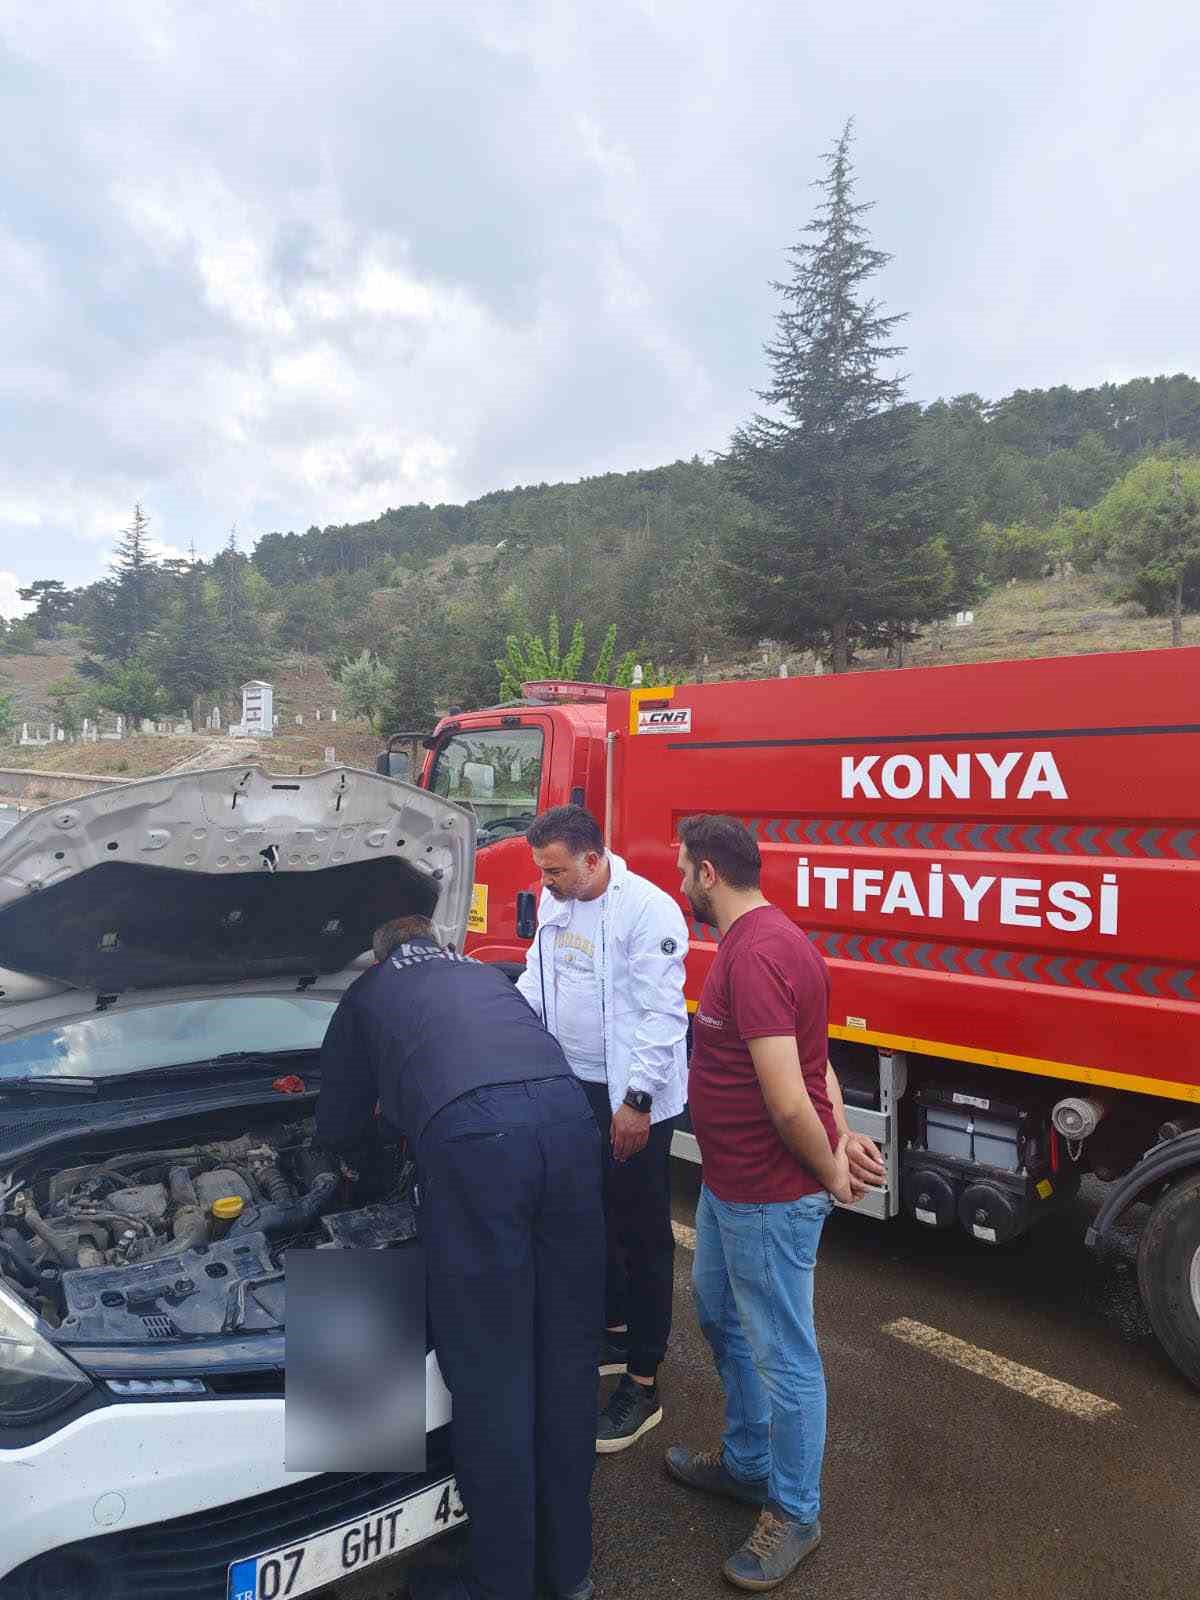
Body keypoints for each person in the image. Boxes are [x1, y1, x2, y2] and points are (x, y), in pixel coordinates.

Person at [316, 913, 603, 1600]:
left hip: (479, 1142)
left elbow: (340, 1125)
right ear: (437, 943)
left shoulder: (368, 992)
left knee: (492, 1370)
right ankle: (568, 1573)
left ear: (378, 956)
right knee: (565, 1358)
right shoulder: (485, 972)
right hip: (567, 1125)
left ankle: (499, 1581)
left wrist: (344, 1169)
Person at [664, 815, 885, 1593]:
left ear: (709, 874)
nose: (679, 877)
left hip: (766, 1192)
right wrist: (847, 1131)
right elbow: (817, 1063)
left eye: (683, 866)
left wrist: (828, 1169)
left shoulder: (758, 953)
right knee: (719, 1313)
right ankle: (750, 1463)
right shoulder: (772, 940)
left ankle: (794, 1512)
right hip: (731, 1187)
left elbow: (790, 1100)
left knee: (786, 1356)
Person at [517, 804, 689, 1452]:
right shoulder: (557, 901)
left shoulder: (648, 911)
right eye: (544, 871)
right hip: (573, 1087)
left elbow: (663, 1016)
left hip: (631, 1096)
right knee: (593, 1217)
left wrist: (637, 1103)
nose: (548, 881)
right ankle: (613, 1331)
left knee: (644, 1236)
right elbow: (538, 980)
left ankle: (642, 1383)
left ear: (593, 859)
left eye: (556, 870)